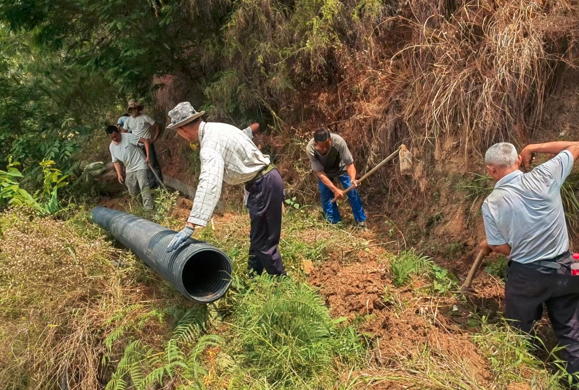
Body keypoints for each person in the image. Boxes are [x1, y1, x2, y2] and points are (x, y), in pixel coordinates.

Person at [480, 141, 579, 379]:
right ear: (518, 161)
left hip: (527, 278)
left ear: (491, 170)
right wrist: (533, 147)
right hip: (565, 269)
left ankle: (523, 378)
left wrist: (490, 245)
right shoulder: (545, 175)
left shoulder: (492, 203)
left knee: (520, 331)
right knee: (571, 332)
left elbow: (501, 246)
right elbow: (576, 145)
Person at [165, 102, 287, 276]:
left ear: (183, 129)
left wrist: (191, 224)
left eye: (177, 132)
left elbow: (209, 184)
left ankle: (284, 285)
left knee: (264, 243)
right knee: (257, 239)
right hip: (264, 181)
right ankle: (253, 279)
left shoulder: (209, 146)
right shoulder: (219, 128)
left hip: (263, 184)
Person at [306, 128, 367, 228]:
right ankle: (334, 223)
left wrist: (352, 179)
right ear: (315, 144)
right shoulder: (310, 149)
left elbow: (349, 163)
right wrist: (335, 190)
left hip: (341, 169)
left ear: (330, 140)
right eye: (321, 147)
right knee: (326, 195)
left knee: (352, 192)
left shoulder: (339, 141)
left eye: (327, 145)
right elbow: (319, 173)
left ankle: (361, 221)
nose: (324, 149)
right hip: (325, 173)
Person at [106, 125, 154, 210]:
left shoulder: (128, 137)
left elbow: (145, 141)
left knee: (144, 186)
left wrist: (148, 156)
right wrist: (119, 174)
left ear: (119, 132)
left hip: (140, 164)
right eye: (112, 137)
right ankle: (139, 209)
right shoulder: (112, 147)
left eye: (115, 136)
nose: (115, 139)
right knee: (132, 190)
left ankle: (149, 209)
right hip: (129, 168)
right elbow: (115, 161)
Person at [122, 99, 163, 189]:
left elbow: (158, 126)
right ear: (130, 110)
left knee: (153, 164)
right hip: (136, 146)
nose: (135, 111)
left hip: (147, 144)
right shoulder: (128, 121)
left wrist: (154, 138)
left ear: (138, 109)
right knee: (144, 165)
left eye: (136, 108)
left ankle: (159, 185)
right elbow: (123, 132)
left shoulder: (145, 117)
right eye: (133, 109)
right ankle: (152, 184)